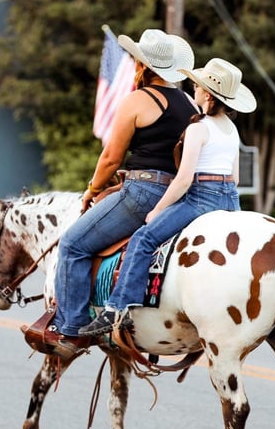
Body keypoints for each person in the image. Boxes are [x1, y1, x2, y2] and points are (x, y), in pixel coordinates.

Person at [23, 28, 198, 360]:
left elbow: (110, 158)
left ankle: (71, 330)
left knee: (73, 244)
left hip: (142, 193)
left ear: (143, 66)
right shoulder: (189, 103)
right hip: (178, 195)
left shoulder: (137, 100)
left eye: (135, 61)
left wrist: (93, 189)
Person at [78, 57, 257, 337]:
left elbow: (184, 179)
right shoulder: (231, 130)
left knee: (144, 238)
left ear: (207, 94)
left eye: (197, 86)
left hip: (201, 198)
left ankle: (117, 309)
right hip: (229, 200)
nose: (193, 90)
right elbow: (233, 178)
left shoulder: (199, 128)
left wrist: (157, 210)